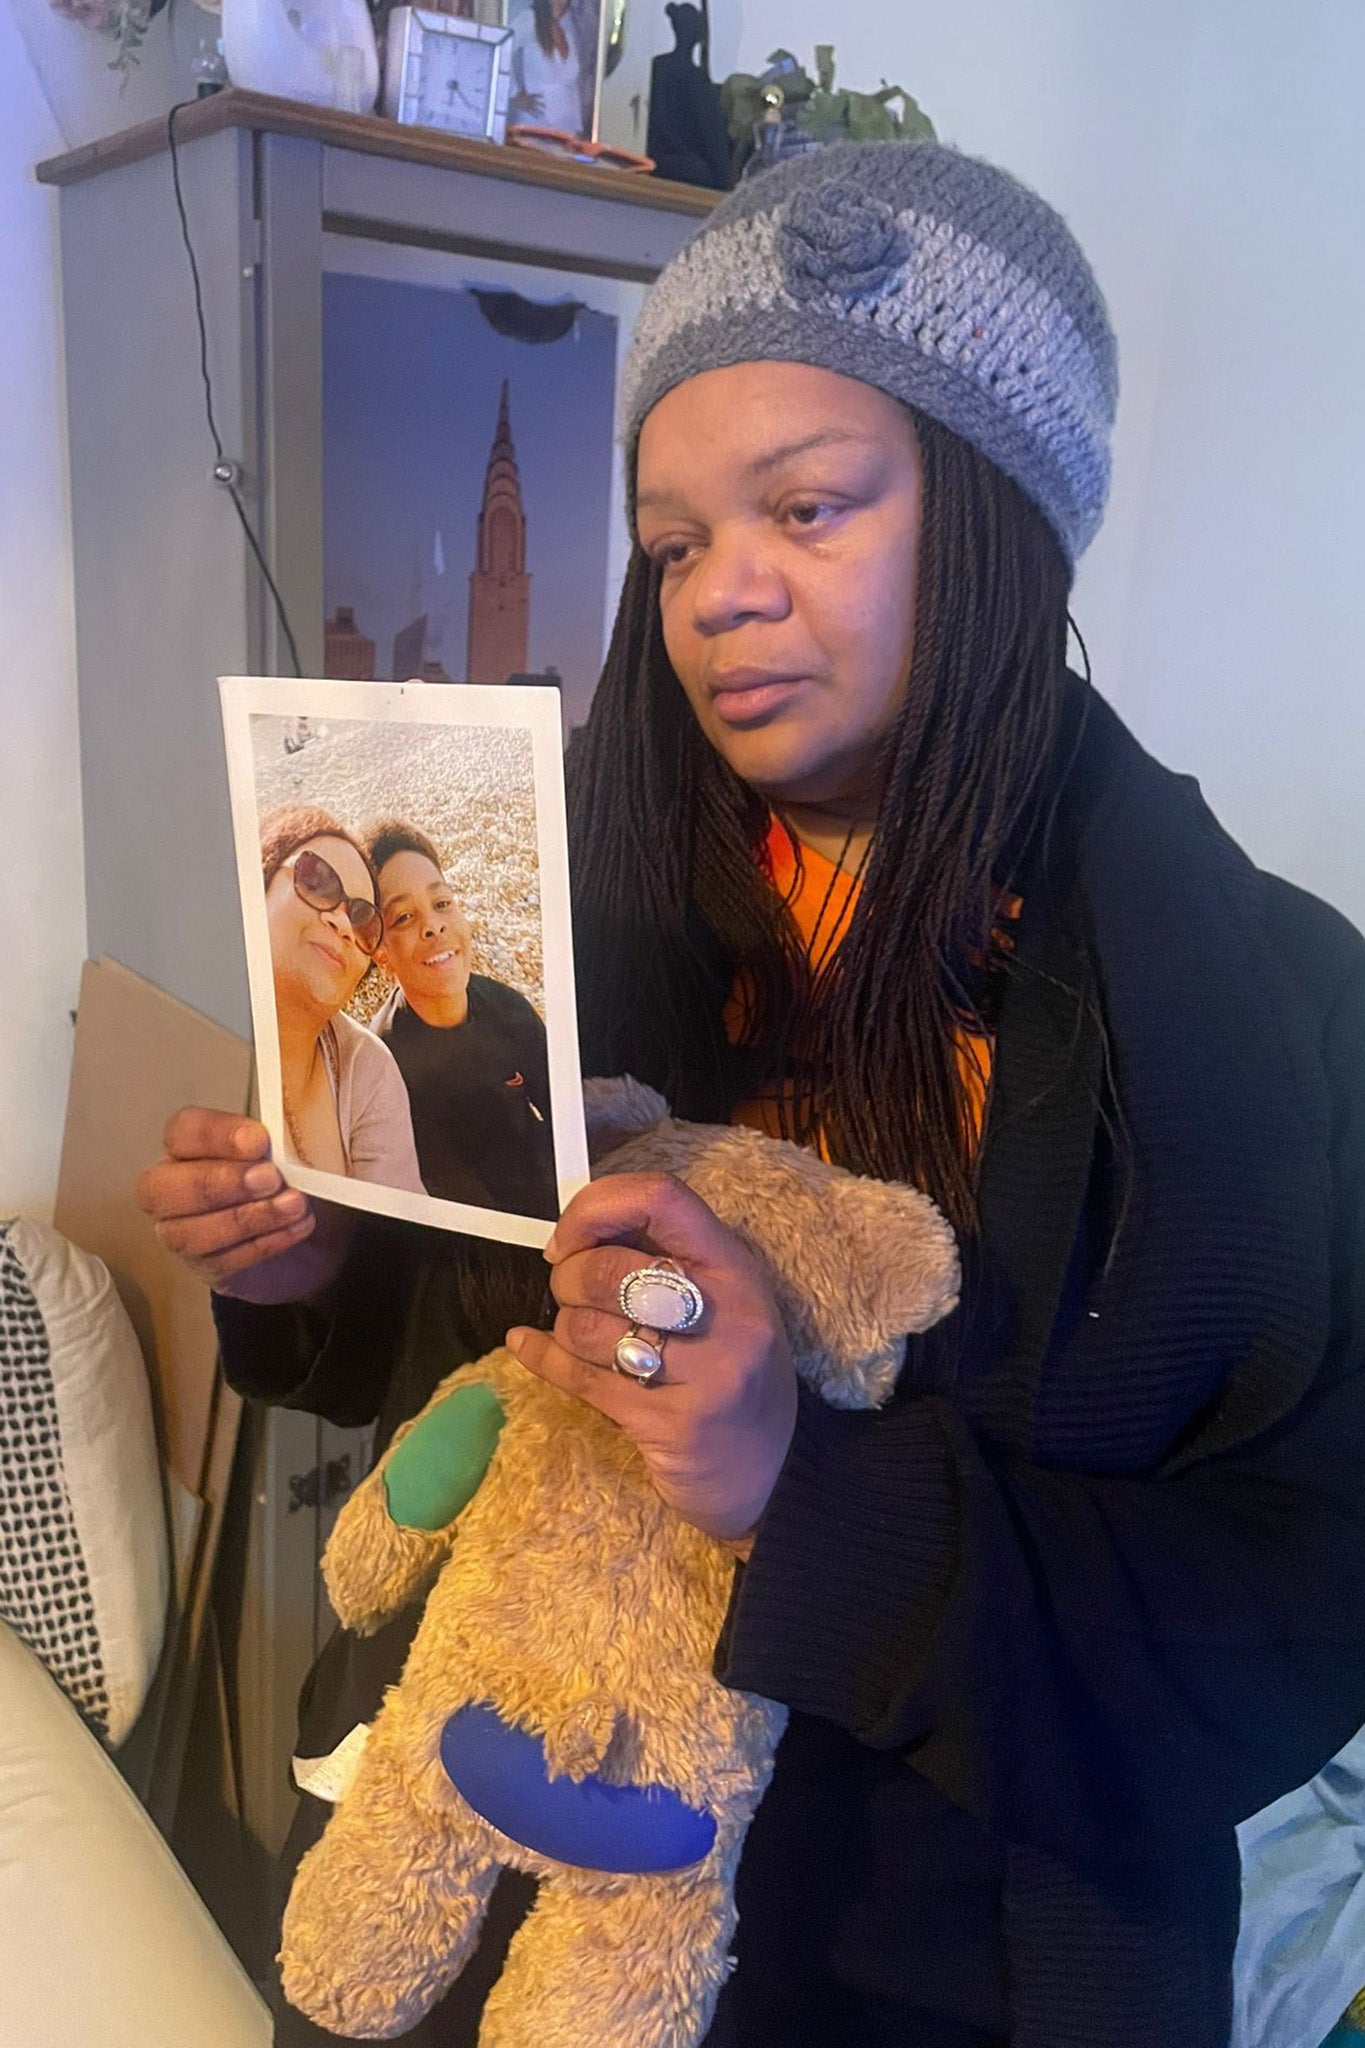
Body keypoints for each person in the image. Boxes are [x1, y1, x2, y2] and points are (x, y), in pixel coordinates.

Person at [137, 141, 1365, 2048]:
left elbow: (1296, 1618)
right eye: (677, 541)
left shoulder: (1274, 1021)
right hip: (510, 1849)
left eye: (807, 505)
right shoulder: (590, 916)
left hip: (946, 1962)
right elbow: (479, 1346)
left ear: (996, 510)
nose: (725, 596)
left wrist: (803, 1487)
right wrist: (311, 1267)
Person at [363, 818, 558, 1220]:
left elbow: (563, 1120)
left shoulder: (509, 1010)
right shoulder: (382, 1068)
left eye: (441, 903)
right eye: (403, 918)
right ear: (380, 953)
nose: (434, 926)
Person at [259, 806, 424, 1195]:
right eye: (316, 882)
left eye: (364, 919)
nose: (344, 924)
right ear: (258, 883)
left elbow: (401, 1236)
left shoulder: (367, 1069)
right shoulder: (173, 1023)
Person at [508, 0, 583, 137]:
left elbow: (572, 87)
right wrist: (515, 94)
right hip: (536, 124)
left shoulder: (567, 31)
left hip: (567, 129)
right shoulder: (529, 20)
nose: (561, 2)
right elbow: (502, 47)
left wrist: (577, 127)